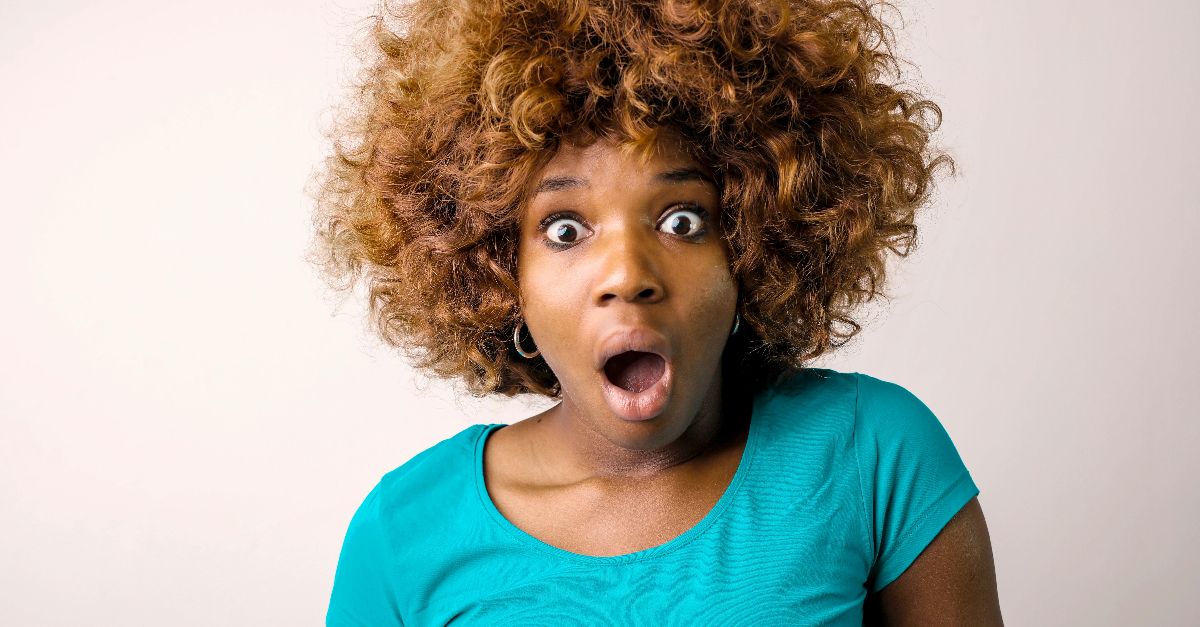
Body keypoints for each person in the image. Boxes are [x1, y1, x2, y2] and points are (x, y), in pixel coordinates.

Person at [311, 0, 1003, 624]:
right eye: (564, 230)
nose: (628, 276)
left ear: (754, 246)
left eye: (681, 220)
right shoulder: (404, 533)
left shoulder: (872, 453)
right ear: (499, 269)